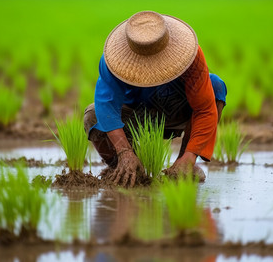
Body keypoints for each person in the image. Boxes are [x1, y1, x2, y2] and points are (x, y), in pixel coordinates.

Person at [84, 11, 227, 187]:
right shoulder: (111, 62)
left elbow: (205, 110)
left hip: (178, 110)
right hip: (138, 114)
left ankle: (185, 166)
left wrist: (189, 156)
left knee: (215, 87)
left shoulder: (192, 56)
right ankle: (126, 170)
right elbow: (106, 107)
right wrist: (124, 153)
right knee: (93, 115)